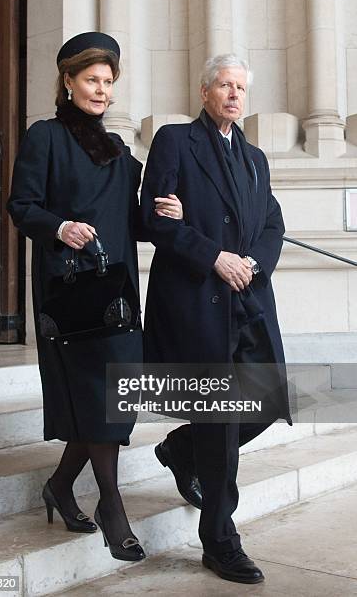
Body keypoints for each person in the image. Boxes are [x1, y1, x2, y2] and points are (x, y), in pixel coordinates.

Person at [7, 31, 182, 562]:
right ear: (67, 81)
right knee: (99, 400)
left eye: (108, 82)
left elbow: (133, 221)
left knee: (113, 401)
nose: (102, 90)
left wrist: (166, 216)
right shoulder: (46, 137)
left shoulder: (119, 151)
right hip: (71, 292)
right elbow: (22, 205)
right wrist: (59, 227)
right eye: (92, 80)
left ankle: (60, 487)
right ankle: (112, 505)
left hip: (119, 293)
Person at [141, 53, 292, 584]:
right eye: (224, 86)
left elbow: (272, 223)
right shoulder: (174, 142)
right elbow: (152, 220)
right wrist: (215, 257)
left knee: (268, 401)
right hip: (197, 302)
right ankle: (220, 540)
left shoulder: (255, 157)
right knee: (222, 416)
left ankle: (181, 448)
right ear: (204, 92)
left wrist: (254, 262)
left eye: (240, 88)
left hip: (248, 299)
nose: (233, 95)